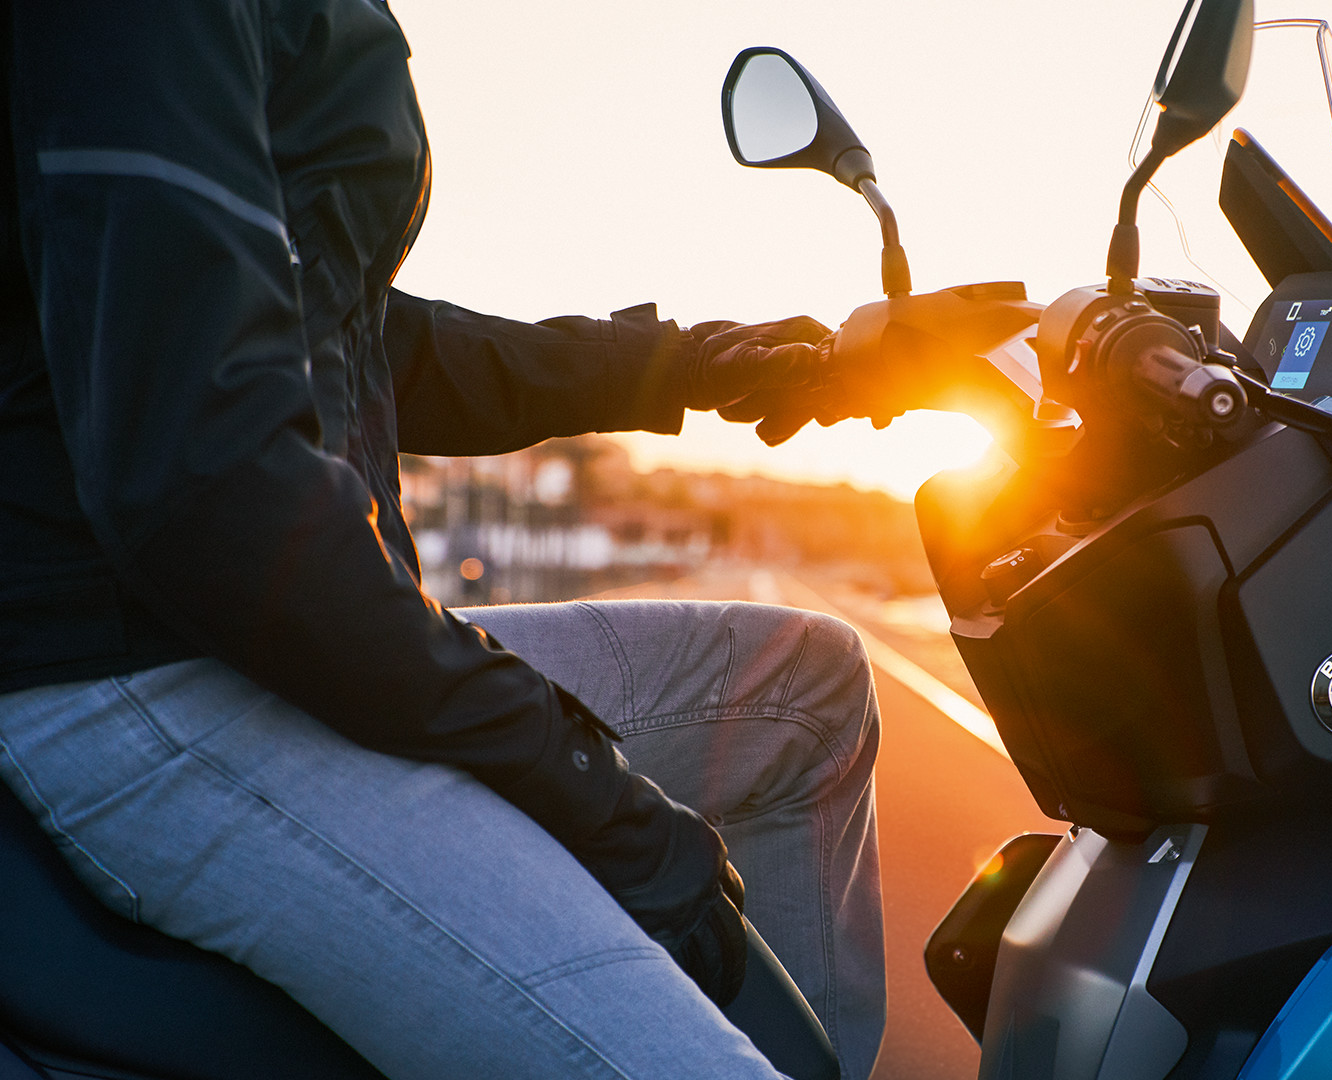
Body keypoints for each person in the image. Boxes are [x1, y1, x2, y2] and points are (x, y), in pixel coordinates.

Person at [0, 2, 884, 1077]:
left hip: (246, 626)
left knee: (802, 689)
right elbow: (205, 492)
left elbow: (340, 324)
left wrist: (695, 364)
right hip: (145, 669)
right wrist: (572, 777)